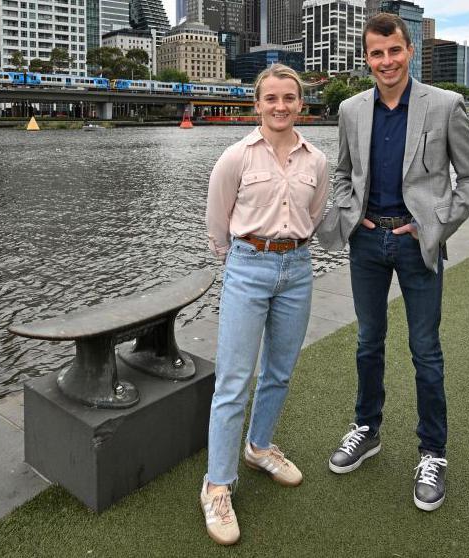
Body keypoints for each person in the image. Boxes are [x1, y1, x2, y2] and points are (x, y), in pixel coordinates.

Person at [316, 13, 469, 512]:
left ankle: (432, 452)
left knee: (425, 351)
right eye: (376, 54)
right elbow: (344, 174)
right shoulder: (350, 110)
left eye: (394, 51)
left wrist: (435, 223)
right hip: (368, 241)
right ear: (366, 58)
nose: (386, 62)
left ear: (409, 50)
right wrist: (352, 216)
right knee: (368, 343)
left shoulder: (446, 106)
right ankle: (366, 430)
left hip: (418, 244)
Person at [202, 63, 329, 545]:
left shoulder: (316, 160)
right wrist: (241, 257)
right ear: (257, 104)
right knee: (234, 380)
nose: (280, 107)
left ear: (301, 105)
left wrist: (288, 251)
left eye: (289, 98)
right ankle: (217, 483)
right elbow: (218, 221)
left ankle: (258, 448)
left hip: (297, 269)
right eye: (271, 98)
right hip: (248, 266)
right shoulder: (235, 158)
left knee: (280, 370)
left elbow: (313, 216)